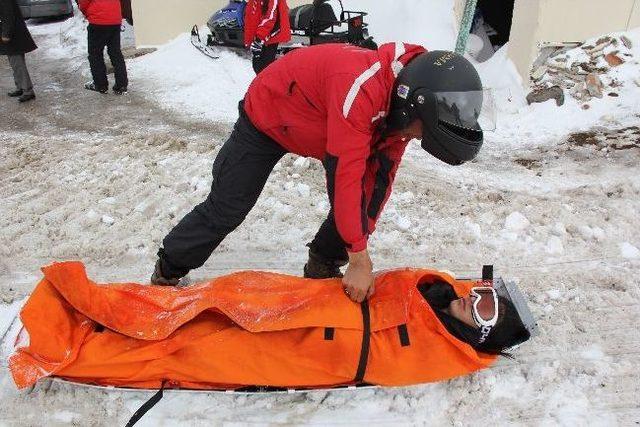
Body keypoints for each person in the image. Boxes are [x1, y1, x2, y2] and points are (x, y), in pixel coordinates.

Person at [151, 43, 486, 304]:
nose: (414, 138)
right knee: (229, 206)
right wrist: (359, 260)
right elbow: (346, 178)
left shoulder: (400, 110)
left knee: (363, 203)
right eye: (419, 131)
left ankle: (322, 263)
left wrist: (358, 244)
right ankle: (169, 267)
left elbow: (378, 182)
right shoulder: (361, 90)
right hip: (269, 115)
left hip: (324, 126)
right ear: (412, 103)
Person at [11, 262, 532, 390]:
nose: (473, 300)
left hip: (309, 350)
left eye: (484, 311)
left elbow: (386, 362)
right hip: (304, 304)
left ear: (481, 337)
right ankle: (84, 305)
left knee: (187, 352)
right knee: (200, 302)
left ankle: (60, 348)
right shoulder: (437, 287)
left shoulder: (448, 353)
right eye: (481, 294)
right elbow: (401, 281)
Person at [78, 0, 128, 94]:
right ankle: (121, 85)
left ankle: (100, 85)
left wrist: (85, 11)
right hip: (114, 19)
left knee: (95, 54)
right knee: (116, 53)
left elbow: (84, 2)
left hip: (98, 20)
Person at [0, 0, 37, 103]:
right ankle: (20, 87)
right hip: (12, 33)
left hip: (13, 35)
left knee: (18, 63)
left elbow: (8, 16)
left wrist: (6, 34)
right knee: (14, 62)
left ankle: (28, 91)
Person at [244, 0, 291, 73]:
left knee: (263, 70)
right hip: (259, 37)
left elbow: (270, 17)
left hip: (267, 37)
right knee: (259, 69)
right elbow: (252, 16)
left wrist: (258, 38)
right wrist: (249, 39)